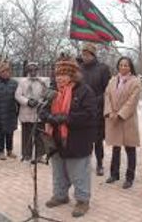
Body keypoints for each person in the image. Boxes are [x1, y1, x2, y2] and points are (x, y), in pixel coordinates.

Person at [42, 57, 97, 218]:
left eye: (64, 74)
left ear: (73, 75)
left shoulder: (85, 91)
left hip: (77, 139)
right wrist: (49, 117)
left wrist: (66, 118)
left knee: (78, 172)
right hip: (56, 139)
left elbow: (89, 114)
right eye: (58, 74)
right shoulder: (53, 91)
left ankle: (82, 200)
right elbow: (43, 110)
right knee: (58, 171)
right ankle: (60, 195)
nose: (59, 77)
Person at [104, 57, 142, 189]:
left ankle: (129, 177)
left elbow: (132, 101)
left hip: (127, 120)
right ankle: (114, 174)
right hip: (113, 118)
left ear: (130, 67)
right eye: (121, 65)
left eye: (126, 65)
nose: (123, 67)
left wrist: (120, 114)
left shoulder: (135, 82)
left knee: (130, 149)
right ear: (118, 66)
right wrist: (110, 112)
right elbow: (107, 96)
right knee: (116, 148)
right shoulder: (112, 81)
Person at [79, 42, 111, 176]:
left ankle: (99, 164)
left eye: (87, 54)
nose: (85, 57)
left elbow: (107, 90)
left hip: (98, 108)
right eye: (83, 54)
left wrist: (97, 101)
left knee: (97, 139)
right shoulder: (79, 69)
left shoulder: (103, 69)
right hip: (82, 109)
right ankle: (85, 163)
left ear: (93, 55)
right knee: (84, 139)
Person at [15, 62, 47, 161]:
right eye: (30, 70)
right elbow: (18, 95)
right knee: (26, 135)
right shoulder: (23, 82)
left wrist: (38, 102)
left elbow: (46, 95)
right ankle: (26, 154)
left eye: (34, 70)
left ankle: (39, 155)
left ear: (37, 71)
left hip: (38, 112)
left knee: (40, 135)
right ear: (28, 71)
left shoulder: (43, 82)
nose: (33, 72)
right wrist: (27, 102)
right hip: (26, 111)